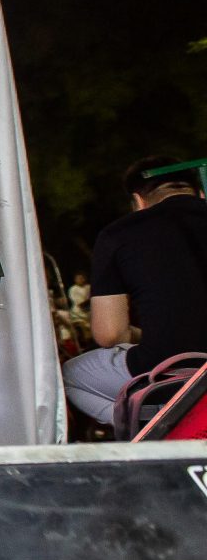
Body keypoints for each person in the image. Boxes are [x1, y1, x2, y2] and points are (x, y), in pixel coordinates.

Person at [62, 156, 207, 429]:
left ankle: (152, 428)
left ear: (138, 201)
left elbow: (109, 334)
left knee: (70, 375)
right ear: (199, 193)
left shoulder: (118, 234)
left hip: (167, 367)